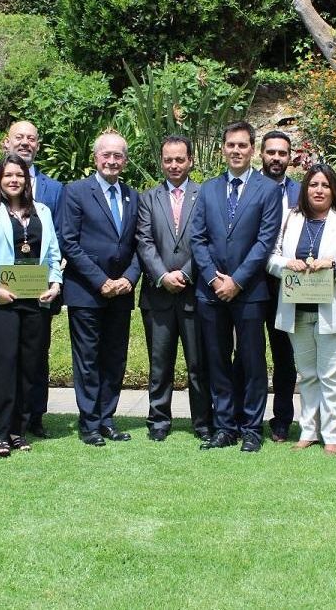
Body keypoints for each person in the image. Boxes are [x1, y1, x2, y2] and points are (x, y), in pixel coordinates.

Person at [190, 121, 283, 452]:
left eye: (242, 145)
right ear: (223, 148)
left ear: (252, 149)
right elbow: (197, 239)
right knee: (217, 360)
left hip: (250, 292)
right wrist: (215, 279)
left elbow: (265, 242)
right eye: (231, 145)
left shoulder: (268, 191)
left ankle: (252, 428)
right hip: (210, 291)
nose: (236, 150)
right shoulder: (208, 189)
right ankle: (225, 427)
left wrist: (238, 281)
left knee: (252, 360)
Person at [267, 164, 336, 455]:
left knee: (333, 377)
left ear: (333, 189)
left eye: (325, 185)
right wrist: (287, 264)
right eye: (313, 184)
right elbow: (271, 259)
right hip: (297, 310)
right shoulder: (291, 218)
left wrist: (333, 264)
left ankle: (333, 435)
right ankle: (309, 431)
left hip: (335, 311)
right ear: (305, 189)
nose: (319, 190)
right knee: (308, 375)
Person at [0, 154, 63, 457]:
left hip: (34, 299)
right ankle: (0, 432)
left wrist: (55, 284)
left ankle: (18, 430)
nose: (14, 180)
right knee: (4, 363)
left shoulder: (43, 212)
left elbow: (52, 253)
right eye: (8, 175)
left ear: (27, 179)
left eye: (20, 175)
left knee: (30, 365)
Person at [59, 132, 140, 446]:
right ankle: (89, 422)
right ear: (95, 158)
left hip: (121, 292)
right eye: (106, 154)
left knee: (115, 358)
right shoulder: (77, 192)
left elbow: (138, 245)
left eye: (118, 155)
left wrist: (129, 278)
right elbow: (69, 241)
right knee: (88, 359)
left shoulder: (133, 196)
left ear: (125, 160)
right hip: (87, 292)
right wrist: (100, 280)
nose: (112, 160)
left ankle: (107, 419)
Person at [136, 135, 211, 442]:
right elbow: (144, 241)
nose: (174, 165)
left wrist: (186, 273)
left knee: (198, 364)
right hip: (158, 295)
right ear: (161, 162)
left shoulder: (204, 195)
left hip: (195, 293)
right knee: (159, 364)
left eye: (180, 159)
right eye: (168, 160)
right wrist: (163, 276)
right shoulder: (147, 198)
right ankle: (158, 421)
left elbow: (207, 238)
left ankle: (203, 422)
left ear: (190, 161)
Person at [258, 130, 300, 442]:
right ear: (261, 154)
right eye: (271, 152)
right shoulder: (249, 187)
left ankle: (282, 419)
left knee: (285, 356)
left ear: (290, 157)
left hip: (289, 283)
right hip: (250, 281)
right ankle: (245, 415)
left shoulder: (302, 192)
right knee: (247, 352)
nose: (276, 158)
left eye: (282, 153)